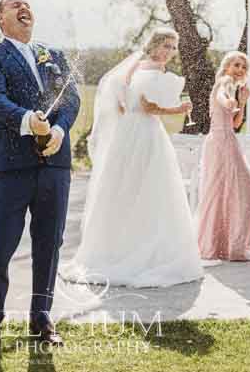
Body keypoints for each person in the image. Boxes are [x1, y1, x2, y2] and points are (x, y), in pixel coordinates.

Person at [0, 0, 80, 360]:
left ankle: (42, 317)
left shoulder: (53, 54)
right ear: (0, 18)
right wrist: (27, 121)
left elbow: (71, 99)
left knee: (49, 245)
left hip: (55, 164)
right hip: (13, 166)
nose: (23, 8)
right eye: (14, 4)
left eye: (27, 3)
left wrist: (60, 131)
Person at [61, 27, 203, 286]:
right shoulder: (149, 68)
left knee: (134, 185)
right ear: (155, 44)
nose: (170, 52)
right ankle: (140, 252)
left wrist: (130, 112)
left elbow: (120, 99)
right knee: (145, 185)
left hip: (129, 132)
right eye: (166, 45)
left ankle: (132, 246)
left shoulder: (135, 66)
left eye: (173, 47)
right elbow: (149, 107)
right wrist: (179, 108)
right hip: (145, 132)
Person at [196, 51, 250, 261]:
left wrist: (243, 101)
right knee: (242, 188)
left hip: (227, 139)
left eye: (243, 67)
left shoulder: (236, 88)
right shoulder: (225, 80)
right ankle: (228, 246)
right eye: (236, 65)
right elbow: (222, 94)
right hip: (220, 141)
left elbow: (236, 124)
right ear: (227, 66)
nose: (239, 70)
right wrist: (228, 101)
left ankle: (225, 245)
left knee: (227, 190)